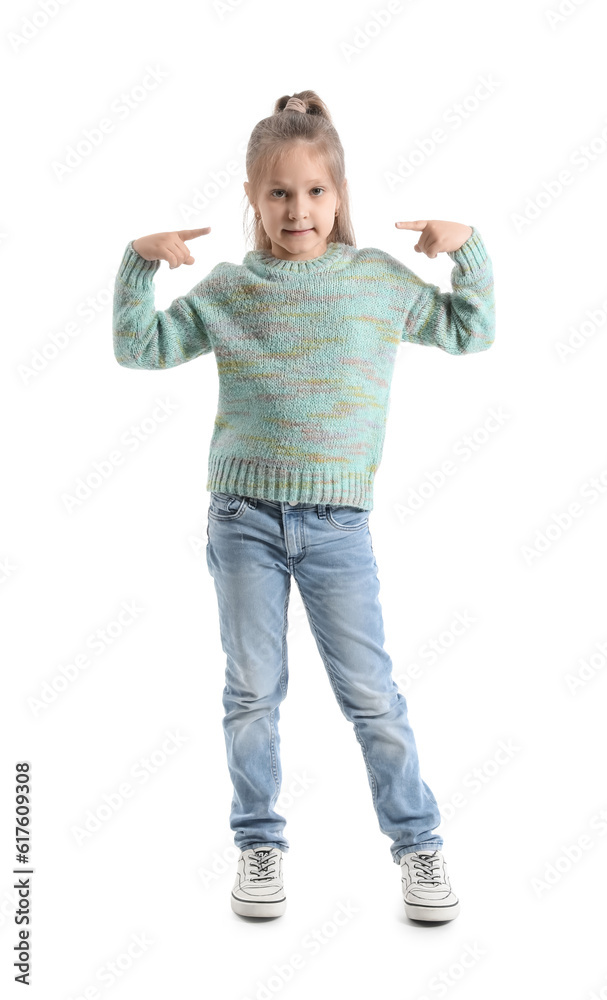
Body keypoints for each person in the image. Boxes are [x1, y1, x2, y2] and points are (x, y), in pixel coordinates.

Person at [112, 89, 495, 924]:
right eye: (279, 192)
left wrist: (469, 252)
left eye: (315, 192)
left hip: (337, 528)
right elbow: (139, 349)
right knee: (251, 691)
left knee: (370, 694)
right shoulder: (230, 289)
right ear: (251, 196)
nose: (299, 209)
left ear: (340, 196)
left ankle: (418, 846)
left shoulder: (374, 283)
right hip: (242, 520)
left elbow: (469, 330)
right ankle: (259, 843)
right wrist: (138, 263)